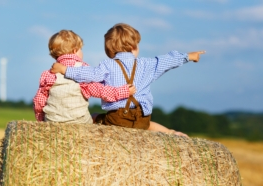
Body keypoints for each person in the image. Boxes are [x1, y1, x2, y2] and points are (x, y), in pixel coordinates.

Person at [50, 23, 205, 137]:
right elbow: (167, 60)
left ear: (109, 50)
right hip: (142, 118)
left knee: (96, 116)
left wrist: (65, 70)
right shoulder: (147, 64)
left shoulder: (107, 65)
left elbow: (89, 74)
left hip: (117, 118)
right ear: (133, 47)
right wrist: (189, 56)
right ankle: (171, 133)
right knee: (147, 125)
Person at [33, 29, 136, 124]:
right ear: (75, 50)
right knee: (95, 118)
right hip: (79, 122)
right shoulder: (83, 70)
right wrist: (124, 91)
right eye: (80, 49)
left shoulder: (48, 74)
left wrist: (41, 120)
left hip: (52, 121)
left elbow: (39, 101)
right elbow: (101, 91)